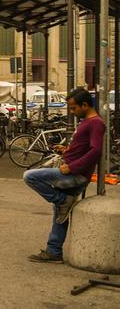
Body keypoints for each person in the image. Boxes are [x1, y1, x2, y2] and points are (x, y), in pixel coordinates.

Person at [23, 87, 105, 263]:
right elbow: (84, 148)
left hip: (76, 174)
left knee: (30, 176)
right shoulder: (87, 122)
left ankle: (62, 200)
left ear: (85, 105)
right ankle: (54, 251)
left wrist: (72, 167)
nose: (72, 112)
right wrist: (67, 150)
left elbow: (96, 151)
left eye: (74, 108)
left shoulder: (95, 123)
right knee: (60, 214)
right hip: (73, 170)